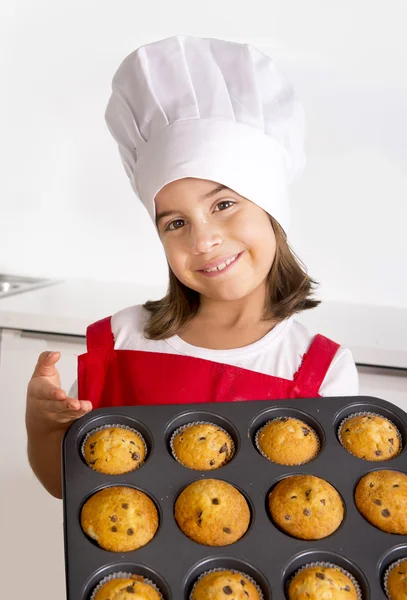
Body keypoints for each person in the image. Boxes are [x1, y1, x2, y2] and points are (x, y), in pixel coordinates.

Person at [25, 35, 358, 498]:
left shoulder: (319, 369)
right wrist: (42, 425)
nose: (202, 239)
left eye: (223, 204)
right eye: (176, 222)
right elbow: (67, 486)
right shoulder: (122, 340)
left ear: (271, 209)